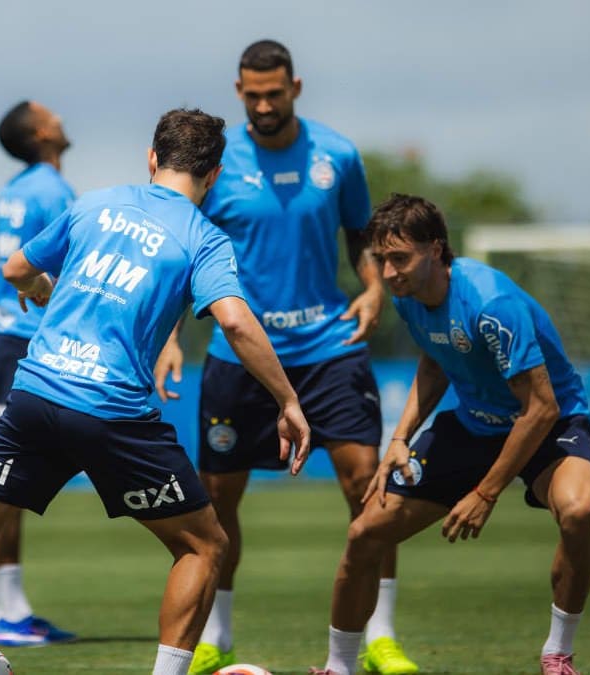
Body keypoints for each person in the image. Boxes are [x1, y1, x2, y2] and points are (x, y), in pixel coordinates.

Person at [0, 108, 310, 675]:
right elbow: (237, 323)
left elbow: (13, 268)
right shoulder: (204, 239)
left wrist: (42, 286)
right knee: (204, 546)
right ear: (216, 174)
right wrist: (288, 401)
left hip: (35, 395)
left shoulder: (95, 203)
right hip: (112, 411)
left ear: (151, 159)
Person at [154, 39, 418, 675]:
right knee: (216, 502)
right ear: (239, 90)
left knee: (367, 486)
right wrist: (167, 335)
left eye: (275, 93)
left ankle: (378, 636)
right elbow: (179, 249)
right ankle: (216, 635)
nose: (264, 104)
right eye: (252, 94)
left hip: (329, 348)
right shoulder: (216, 165)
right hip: (238, 353)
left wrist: (375, 287)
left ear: (295, 87)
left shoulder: (339, 155)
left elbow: (364, 236)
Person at [308, 193, 590, 675]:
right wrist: (400, 437)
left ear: (437, 250)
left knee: (578, 510)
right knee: (364, 534)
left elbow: (541, 407)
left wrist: (485, 492)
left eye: (399, 259)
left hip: (550, 424)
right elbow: (435, 360)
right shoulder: (411, 299)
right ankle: (339, 668)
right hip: (473, 426)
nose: (387, 274)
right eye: (381, 260)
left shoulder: (492, 303)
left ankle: (557, 654)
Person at [0, 99, 77, 647]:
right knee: (2, 476)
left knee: (13, 473)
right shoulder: (54, 191)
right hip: (22, 340)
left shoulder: (13, 190)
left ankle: (10, 605)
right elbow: (69, 266)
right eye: (48, 112)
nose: (59, 115)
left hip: (3, 337)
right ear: (41, 132)